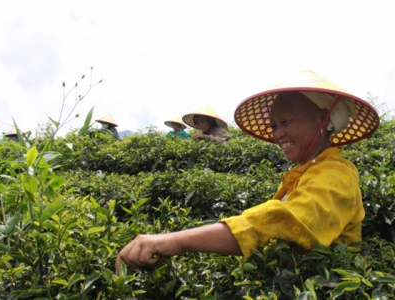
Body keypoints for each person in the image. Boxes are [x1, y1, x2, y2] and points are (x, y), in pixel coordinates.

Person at [115, 70, 379, 272]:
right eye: (274, 125)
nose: (278, 134)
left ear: (322, 119)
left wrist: (177, 241)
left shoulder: (338, 173)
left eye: (285, 122)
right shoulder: (304, 172)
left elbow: (288, 221)